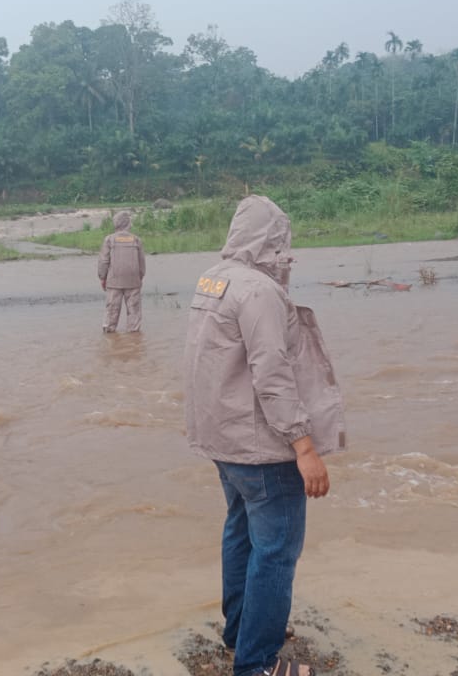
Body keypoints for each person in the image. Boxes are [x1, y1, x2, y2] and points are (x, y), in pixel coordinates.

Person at [183, 195, 346, 676]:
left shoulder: (213, 277)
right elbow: (271, 373)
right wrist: (304, 445)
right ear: (273, 239)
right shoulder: (259, 292)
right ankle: (257, 663)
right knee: (275, 551)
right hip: (262, 446)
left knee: (241, 532)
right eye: (283, 242)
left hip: (222, 437)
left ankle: (241, 632)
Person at [97, 211, 145, 333]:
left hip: (114, 281)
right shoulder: (136, 240)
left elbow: (103, 261)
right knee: (134, 313)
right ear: (128, 223)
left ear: (115, 224)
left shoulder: (109, 240)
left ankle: (110, 338)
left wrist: (102, 278)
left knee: (111, 312)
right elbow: (142, 263)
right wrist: (140, 277)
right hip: (133, 281)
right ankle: (134, 340)